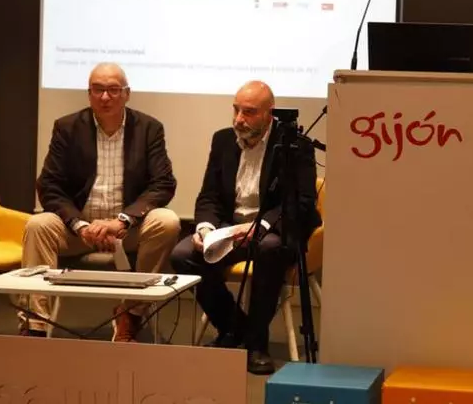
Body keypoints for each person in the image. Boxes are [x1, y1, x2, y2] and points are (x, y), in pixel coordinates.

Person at [18, 62, 180, 341]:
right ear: (89, 93)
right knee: (37, 225)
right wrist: (79, 225)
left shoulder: (149, 128)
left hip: (126, 229)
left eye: (113, 90)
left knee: (167, 222)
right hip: (78, 230)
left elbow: (162, 183)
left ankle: (131, 313)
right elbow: (49, 185)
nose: (105, 97)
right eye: (98, 89)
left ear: (127, 94)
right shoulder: (67, 127)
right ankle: (35, 324)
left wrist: (122, 221)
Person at [170, 80, 321, 375]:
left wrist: (259, 226)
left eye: (249, 112)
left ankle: (256, 345)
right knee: (182, 255)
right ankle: (236, 328)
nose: (239, 119)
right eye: (236, 110)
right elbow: (209, 196)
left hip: (273, 229)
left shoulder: (294, 145)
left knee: (269, 248)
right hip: (230, 229)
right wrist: (205, 229)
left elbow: (299, 203)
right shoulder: (223, 140)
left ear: (269, 113)